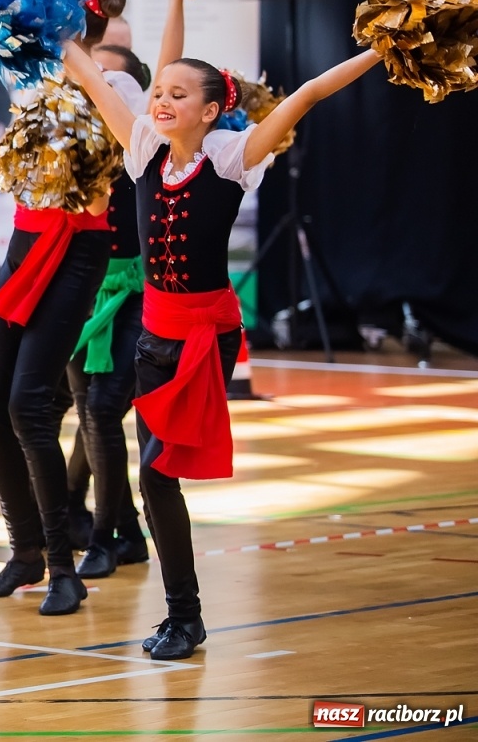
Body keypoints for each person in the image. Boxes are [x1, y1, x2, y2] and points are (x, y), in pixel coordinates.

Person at [63, 35, 382, 658]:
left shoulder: (232, 156)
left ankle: (186, 615)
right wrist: (50, 22)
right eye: (158, 90)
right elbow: (92, 79)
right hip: (153, 333)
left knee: (156, 473)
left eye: (178, 94)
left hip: (204, 336)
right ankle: (181, 611)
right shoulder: (142, 151)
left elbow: (312, 92)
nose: (160, 101)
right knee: (154, 475)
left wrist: (382, 49)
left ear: (210, 111)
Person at [0, 65, 110, 617]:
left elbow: (94, 203)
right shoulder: (36, 102)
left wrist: (76, 124)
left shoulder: (105, 103)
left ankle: (63, 568)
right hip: (23, 248)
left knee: (27, 406)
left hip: (75, 254)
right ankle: (24, 554)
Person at [64, 0, 179, 577]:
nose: (92, 82)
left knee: (104, 411)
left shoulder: (144, 150)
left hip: (137, 290)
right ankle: (122, 530)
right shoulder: (67, 146)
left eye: (107, 79)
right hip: (80, 287)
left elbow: (161, 72)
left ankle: (103, 537)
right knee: (88, 411)